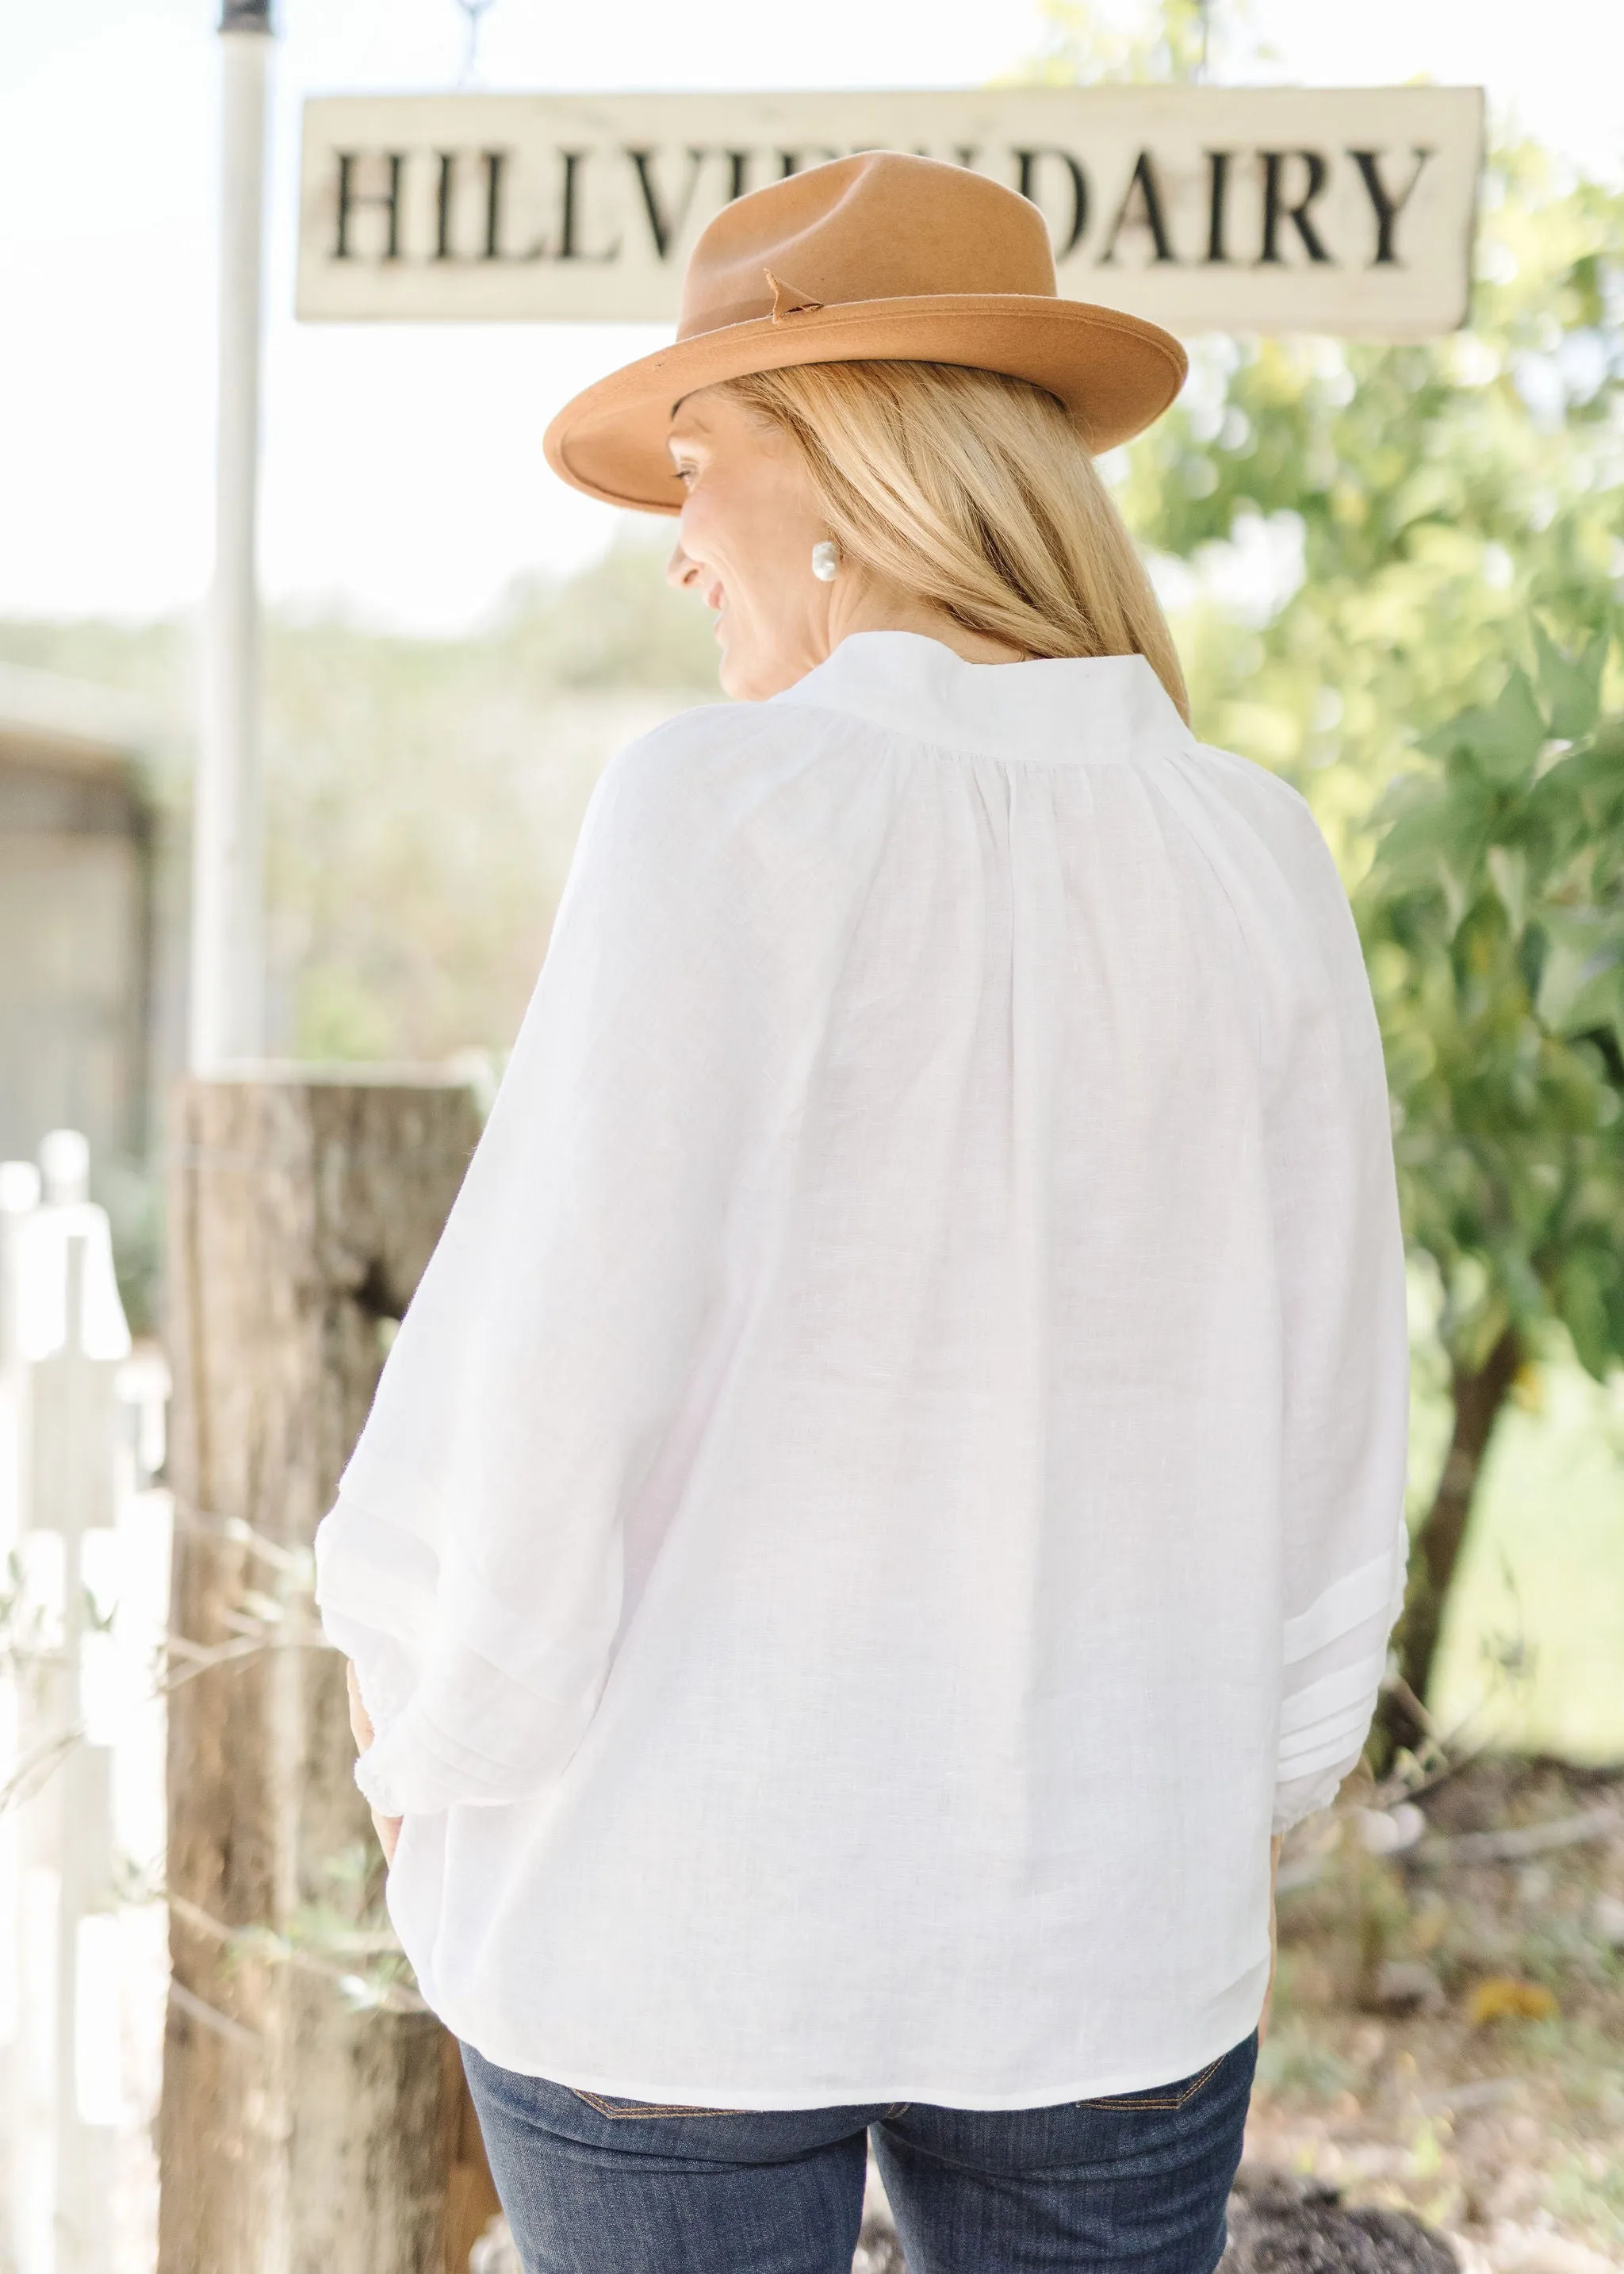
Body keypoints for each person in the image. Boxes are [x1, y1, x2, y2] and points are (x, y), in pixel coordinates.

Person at [316, 152, 1410, 2274]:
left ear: (841, 461)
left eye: (695, 460)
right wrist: (1237, 1776)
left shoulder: (716, 814)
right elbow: (1331, 1394)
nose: (670, 547)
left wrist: (435, 1720)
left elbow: (552, 1373)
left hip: (672, 1909)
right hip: (1107, 1921)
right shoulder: (1247, 850)